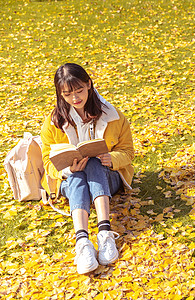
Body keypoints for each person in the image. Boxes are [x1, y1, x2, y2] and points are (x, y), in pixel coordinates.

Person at [40, 63, 134, 274]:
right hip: (71, 180)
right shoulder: (53, 122)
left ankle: (105, 233)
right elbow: (47, 161)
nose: (75, 98)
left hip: (108, 176)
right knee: (75, 177)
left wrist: (111, 158)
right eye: (67, 94)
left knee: (93, 163)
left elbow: (128, 153)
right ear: (60, 94)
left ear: (89, 85)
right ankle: (82, 241)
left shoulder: (114, 116)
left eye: (79, 90)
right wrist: (67, 170)